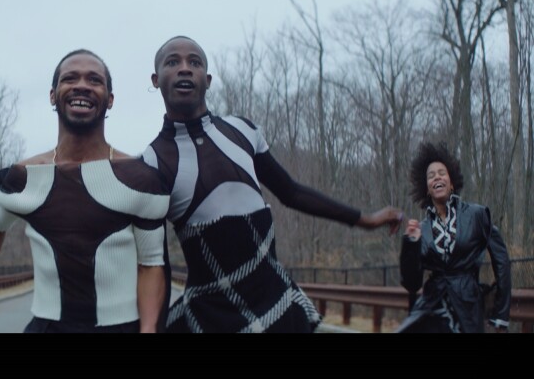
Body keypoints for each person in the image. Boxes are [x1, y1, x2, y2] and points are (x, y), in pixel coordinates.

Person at [141, 36, 403, 333]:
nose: (185, 68)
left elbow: (291, 192)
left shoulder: (244, 130)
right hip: (210, 316)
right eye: (172, 62)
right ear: (156, 78)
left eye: (195, 62)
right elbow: (154, 263)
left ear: (208, 79)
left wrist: (366, 220)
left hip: (277, 306)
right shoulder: (151, 162)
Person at [0, 50, 170, 333]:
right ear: (53, 95)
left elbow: (151, 263)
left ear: (110, 99)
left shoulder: (140, 179)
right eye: (70, 78)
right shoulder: (22, 177)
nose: (82, 85)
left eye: (94, 80)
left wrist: (149, 329)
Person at [396, 141, 511, 333]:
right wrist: (411, 244)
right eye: (431, 176)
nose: (436, 178)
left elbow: (502, 262)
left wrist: (501, 314)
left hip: (467, 308)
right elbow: (412, 284)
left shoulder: (477, 216)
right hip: (432, 309)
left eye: (442, 173)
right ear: (427, 188)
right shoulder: (422, 229)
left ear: (451, 183)